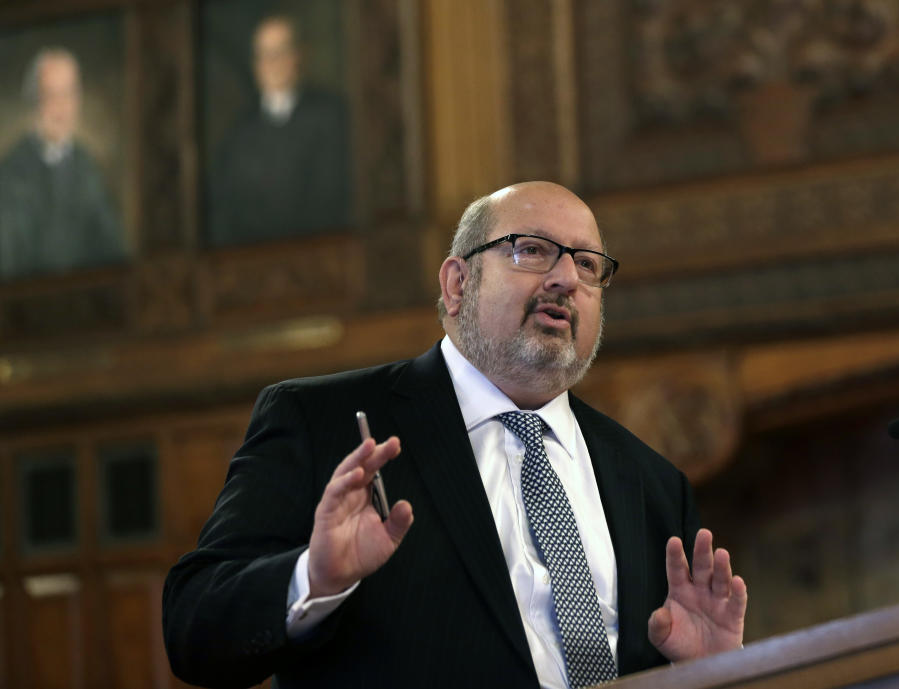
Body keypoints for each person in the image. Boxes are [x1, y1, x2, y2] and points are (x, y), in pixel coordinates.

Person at [163, 181, 747, 688]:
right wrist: (313, 578)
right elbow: (194, 630)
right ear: (458, 284)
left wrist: (706, 676)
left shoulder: (653, 482)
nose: (567, 278)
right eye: (534, 251)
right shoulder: (321, 422)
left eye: (589, 264)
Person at [206, 14, 351, 246]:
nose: (273, 63)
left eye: (281, 51)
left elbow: (334, 199)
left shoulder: (329, 116)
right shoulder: (239, 133)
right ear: (256, 64)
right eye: (265, 54)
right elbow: (226, 207)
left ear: (297, 55)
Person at [0, 47, 125, 280]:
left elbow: (113, 248)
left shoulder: (88, 168)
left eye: (68, 94)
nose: (61, 108)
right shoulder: (11, 173)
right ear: (34, 101)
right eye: (51, 95)